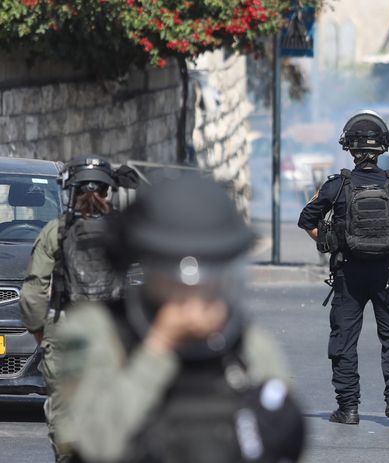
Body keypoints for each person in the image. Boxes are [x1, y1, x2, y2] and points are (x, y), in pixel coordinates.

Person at [55, 172, 304, 463]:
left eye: (210, 278)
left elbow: (283, 437)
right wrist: (158, 347)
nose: (194, 295)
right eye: (177, 281)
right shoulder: (97, 330)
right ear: (149, 271)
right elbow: (96, 443)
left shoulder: (247, 345)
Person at [298, 110, 389, 426]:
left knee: (344, 339)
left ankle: (348, 408)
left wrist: (329, 240)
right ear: (381, 151)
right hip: (386, 273)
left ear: (350, 149)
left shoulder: (336, 186)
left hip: (348, 273)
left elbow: (306, 220)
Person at [19, 156, 125, 462]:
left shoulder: (56, 231)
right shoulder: (123, 233)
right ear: (107, 191)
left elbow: (33, 293)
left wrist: (42, 334)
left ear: (70, 189)